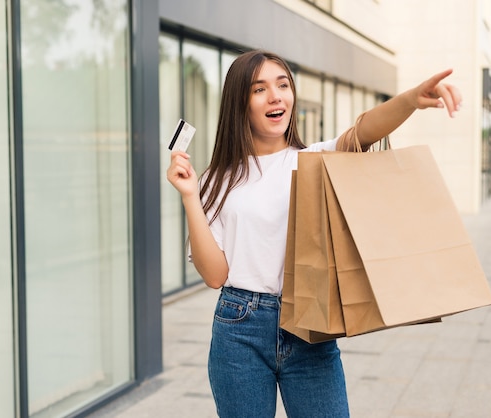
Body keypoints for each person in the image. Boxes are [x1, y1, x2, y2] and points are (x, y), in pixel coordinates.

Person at [167, 49, 462, 418]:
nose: (276, 96)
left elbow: (365, 129)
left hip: (309, 324)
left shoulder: (316, 159)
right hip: (239, 328)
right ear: (239, 103)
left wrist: (410, 100)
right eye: (259, 89)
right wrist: (191, 196)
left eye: (283, 85)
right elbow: (214, 275)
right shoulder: (215, 179)